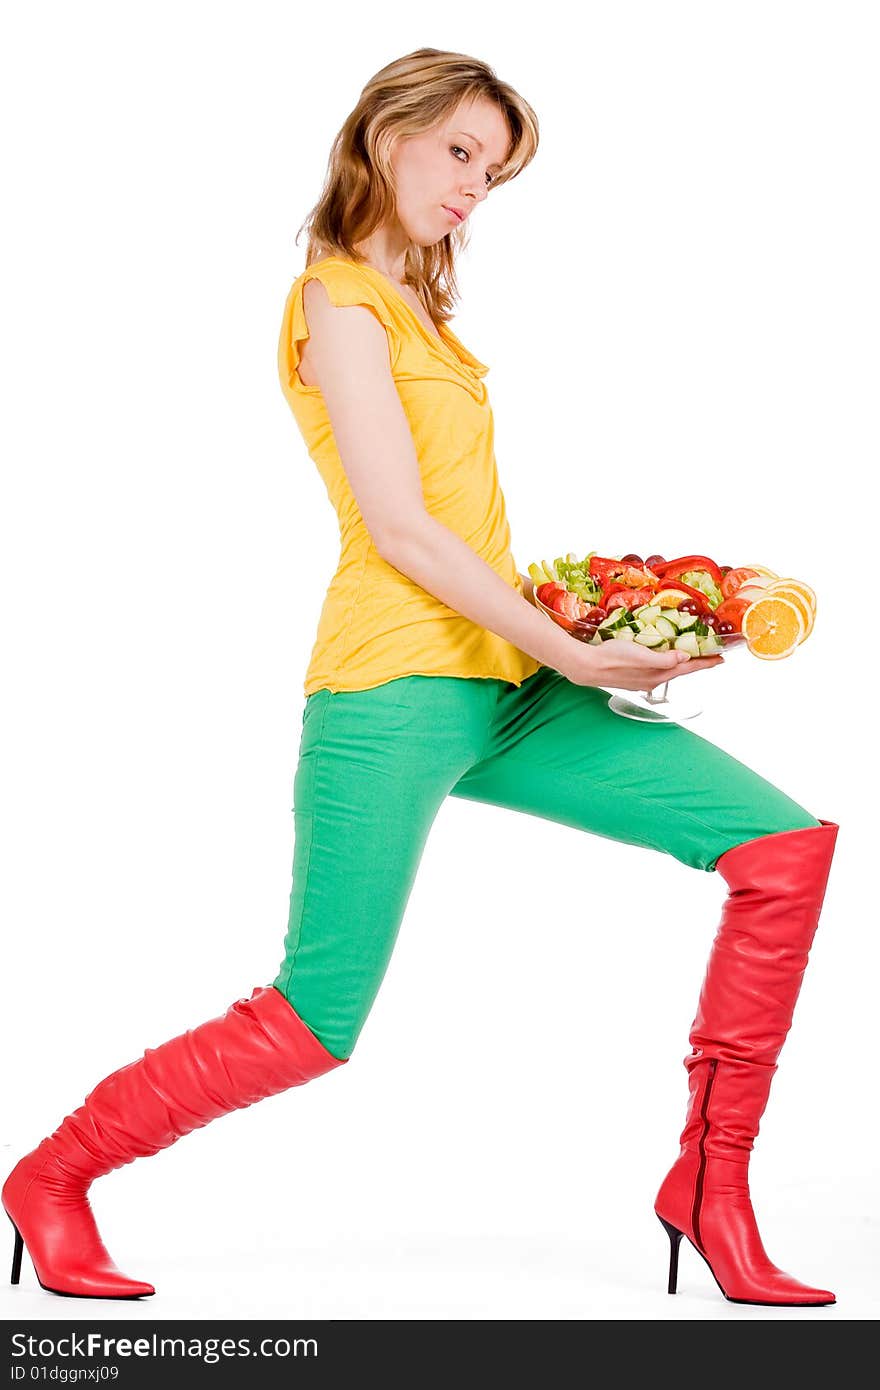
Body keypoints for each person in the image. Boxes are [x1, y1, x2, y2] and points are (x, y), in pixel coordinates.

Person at [3, 47, 838, 1308]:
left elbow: (465, 524)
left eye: (492, 170)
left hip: (504, 681)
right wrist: (572, 650)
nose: (473, 185)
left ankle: (709, 1191)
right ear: (383, 134)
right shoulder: (335, 300)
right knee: (312, 1021)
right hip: (390, 688)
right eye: (458, 151)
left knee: (782, 848)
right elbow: (399, 529)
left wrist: (600, 615)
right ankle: (53, 1178)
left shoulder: (424, 313)